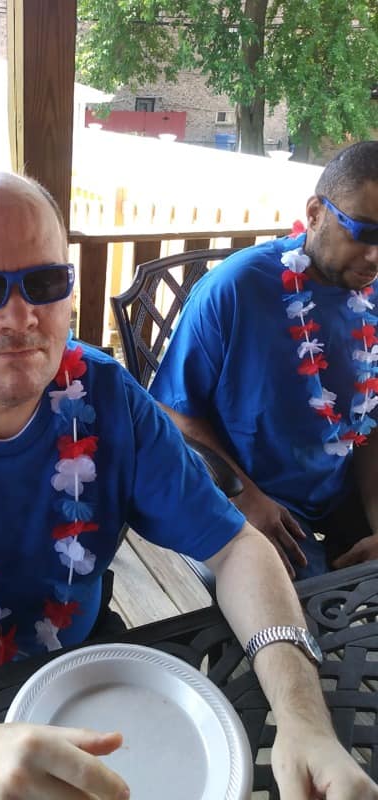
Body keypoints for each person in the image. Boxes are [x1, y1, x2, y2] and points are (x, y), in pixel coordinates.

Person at [0, 173, 376, 800]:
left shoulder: (109, 396)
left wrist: (304, 720)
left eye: (43, 282)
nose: (19, 317)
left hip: (90, 668)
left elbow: (238, 549)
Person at [150, 140, 378, 580]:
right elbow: (172, 413)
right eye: (364, 231)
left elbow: (370, 424)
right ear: (314, 213)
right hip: (245, 500)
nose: (375, 256)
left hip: (340, 495)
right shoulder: (234, 290)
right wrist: (246, 497)